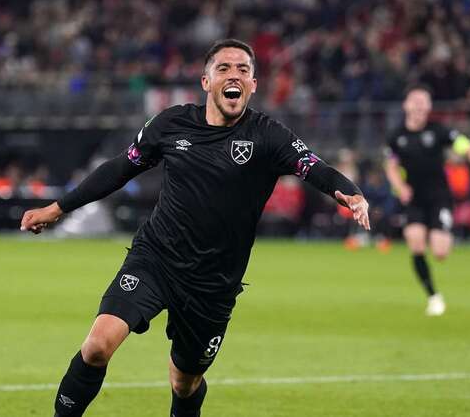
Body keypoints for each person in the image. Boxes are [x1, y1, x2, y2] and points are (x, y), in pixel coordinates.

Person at [19, 39, 369, 417]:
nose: (234, 75)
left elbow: (313, 167)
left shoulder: (269, 136)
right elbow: (121, 168)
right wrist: (58, 207)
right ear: (206, 82)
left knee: (184, 383)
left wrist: (350, 194)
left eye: (243, 70)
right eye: (224, 68)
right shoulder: (171, 124)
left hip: (213, 283)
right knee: (97, 346)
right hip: (156, 260)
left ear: (253, 85)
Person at [384, 86, 470, 316]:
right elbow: (390, 165)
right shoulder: (395, 137)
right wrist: (400, 186)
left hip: (439, 198)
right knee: (415, 242)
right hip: (414, 199)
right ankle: (433, 297)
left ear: (429, 107)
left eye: (423, 102)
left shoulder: (439, 132)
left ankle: (440, 232)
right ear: (406, 105)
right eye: (415, 101)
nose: (419, 105)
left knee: (440, 252)